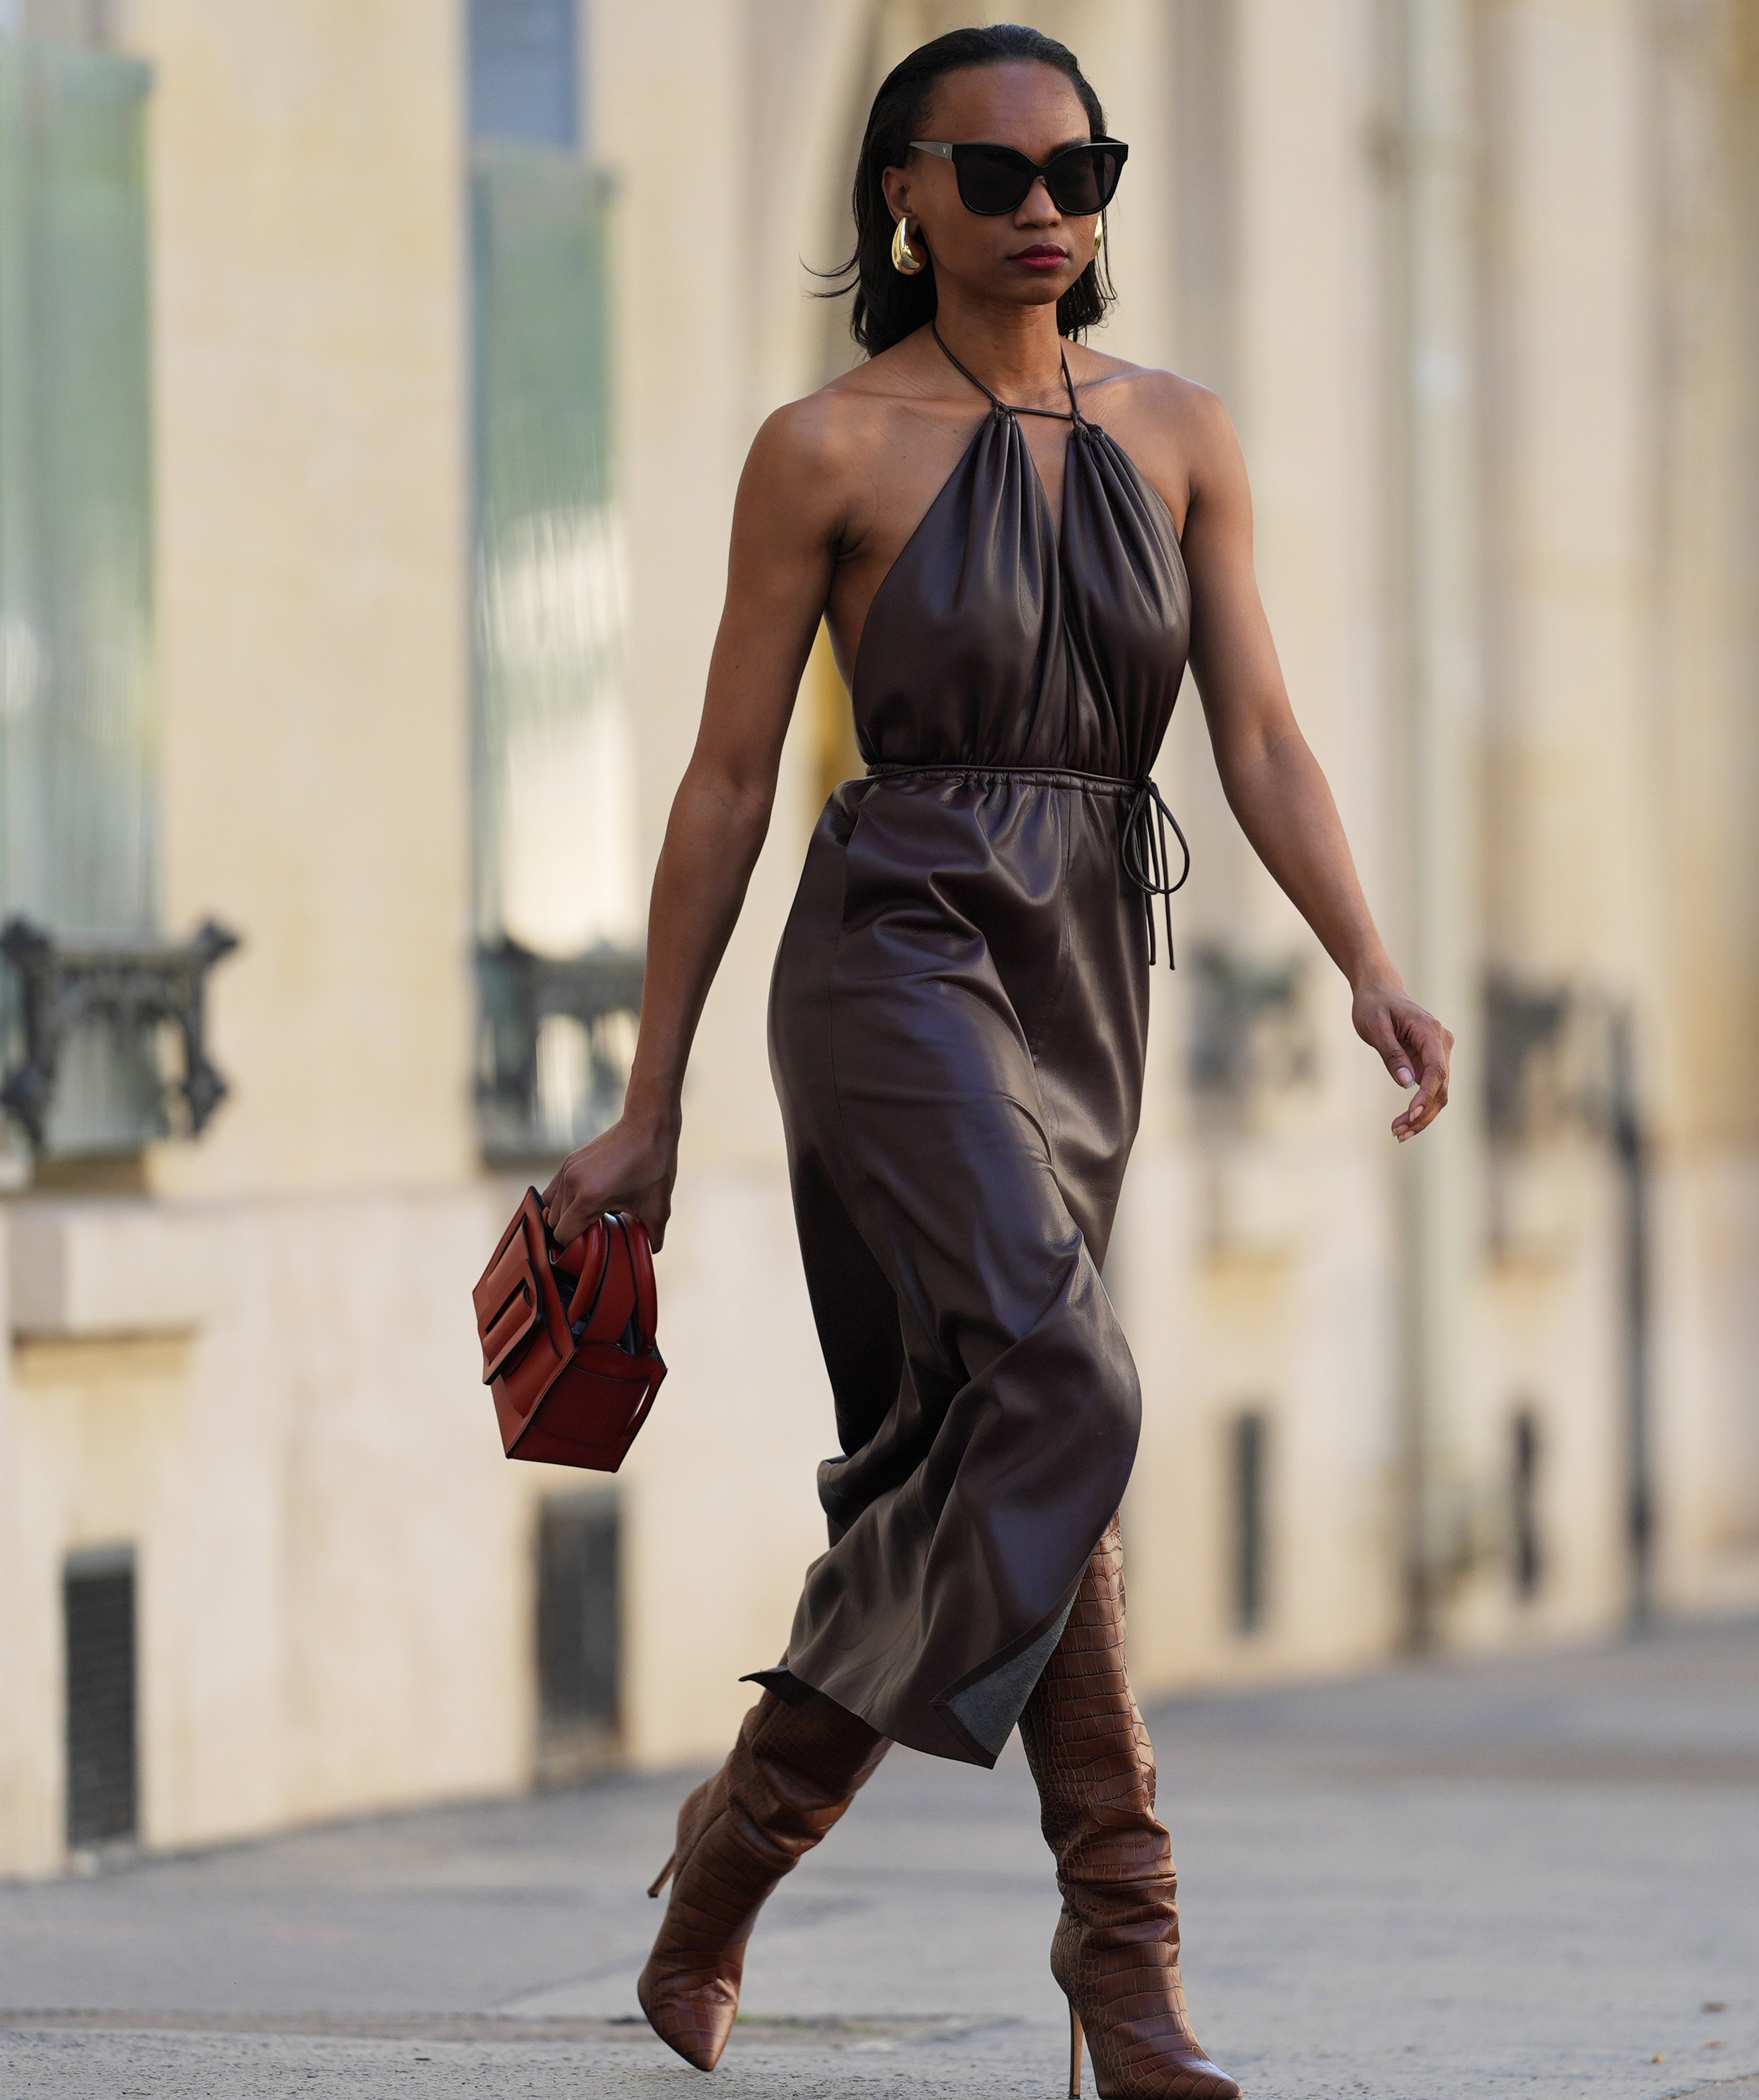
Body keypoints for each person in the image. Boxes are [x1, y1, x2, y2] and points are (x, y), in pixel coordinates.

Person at [542, 24, 1453, 2096]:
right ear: (901, 196)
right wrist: (651, 1098)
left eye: (1081, 171)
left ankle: (752, 1870)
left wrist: (1367, 962)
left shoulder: (1183, 435)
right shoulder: (827, 448)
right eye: (998, 172)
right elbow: (716, 781)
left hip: (1080, 973)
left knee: (1002, 1441)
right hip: (887, 954)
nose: (1047, 209)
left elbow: (1262, 741)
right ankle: (1111, 1956)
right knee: (1063, 1388)